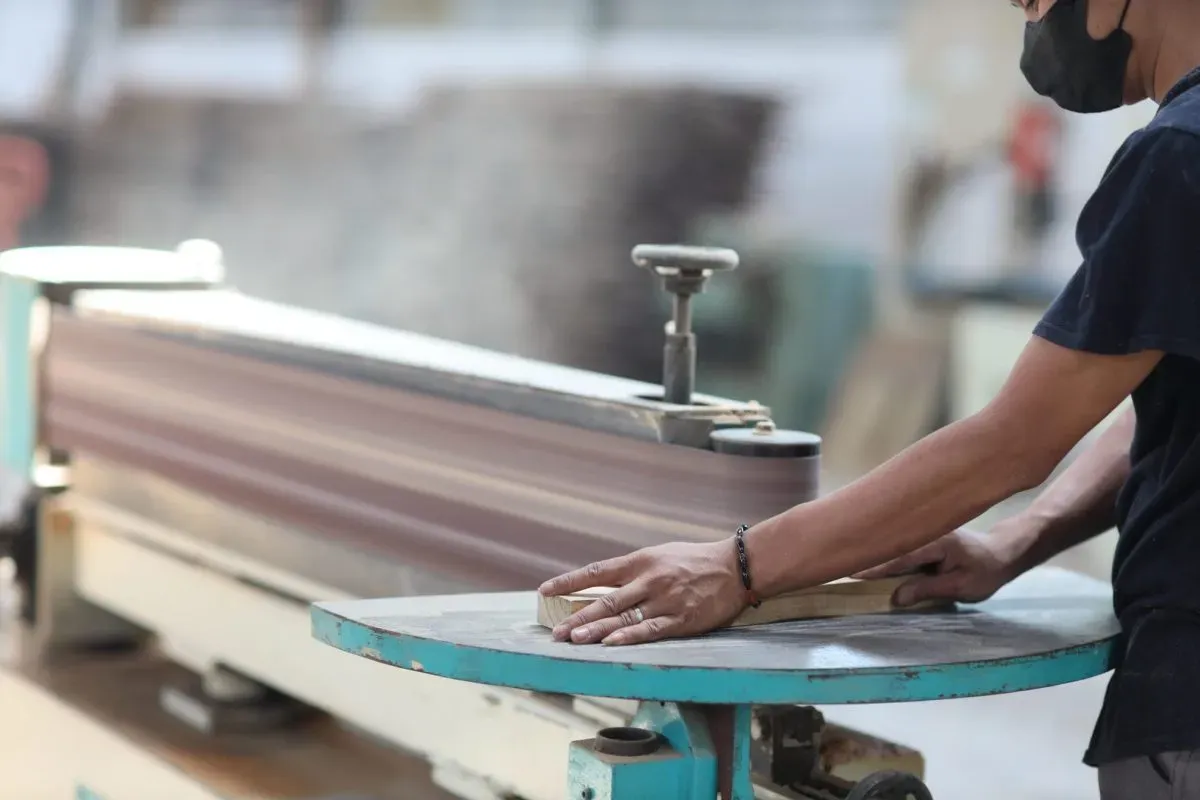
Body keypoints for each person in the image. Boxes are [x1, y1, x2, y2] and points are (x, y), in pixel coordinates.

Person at [538, 0, 1200, 796]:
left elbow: (1013, 442)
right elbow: (1167, 396)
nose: (1033, 26)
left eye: (1033, 1)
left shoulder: (1177, 158)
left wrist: (736, 568)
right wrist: (1019, 540)